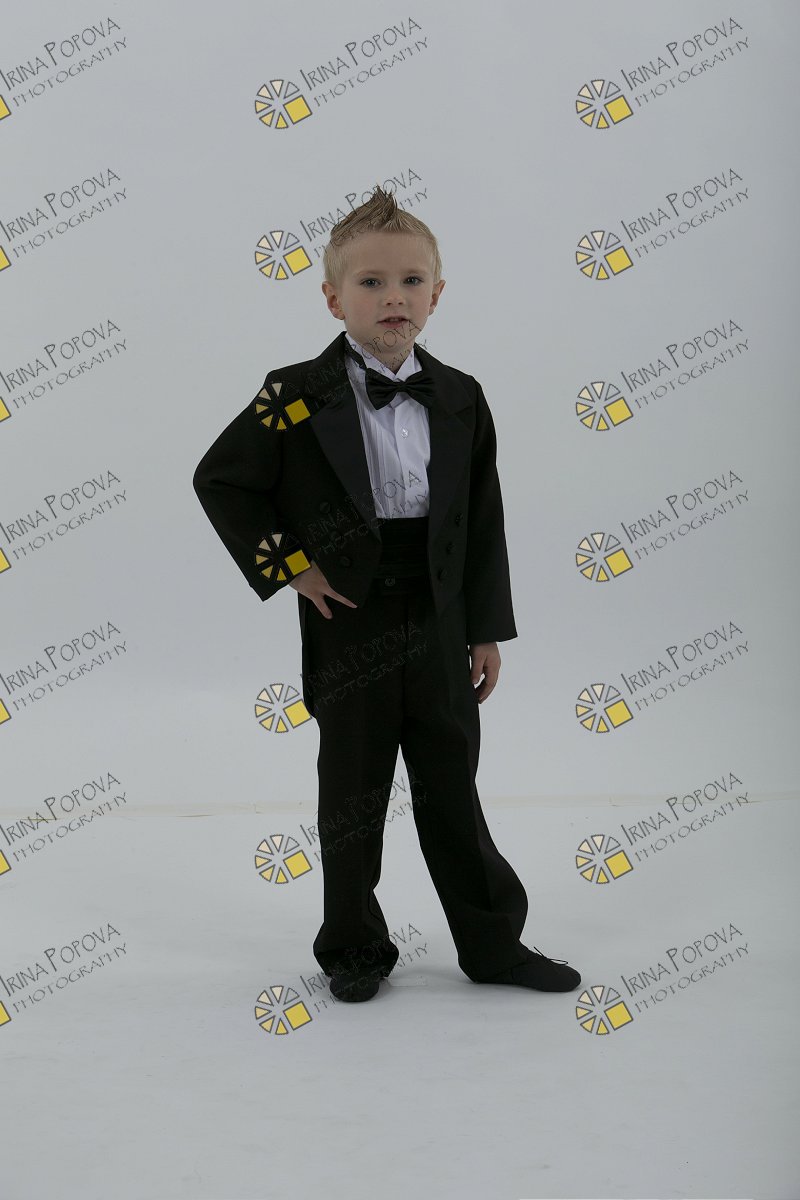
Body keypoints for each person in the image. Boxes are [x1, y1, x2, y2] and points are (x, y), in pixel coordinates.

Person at [192, 184, 581, 1003]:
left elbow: (482, 517)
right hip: (348, 614)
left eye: (410, 281)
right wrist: (291, 566)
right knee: (353, 790)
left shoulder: (462, 394)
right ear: (333, 298)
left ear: (436, 294)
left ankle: (492, 945)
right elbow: (221, 479)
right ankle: (354, 948)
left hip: (439, 611)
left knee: (452, 783)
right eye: (370, 282)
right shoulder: (294, 391)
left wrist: (485, 628)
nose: (392, 297)